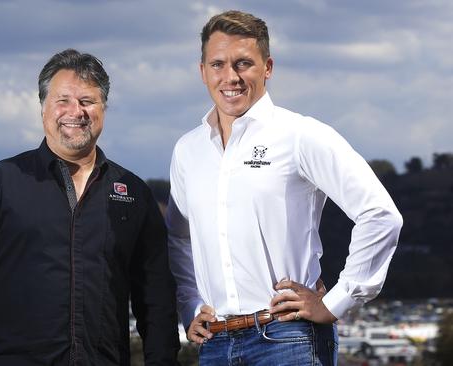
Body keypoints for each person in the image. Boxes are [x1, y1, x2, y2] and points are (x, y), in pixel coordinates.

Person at [166, 10, 403, 365]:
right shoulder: (187, 150)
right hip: (215, 344)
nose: (230, 76)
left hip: (288, 338)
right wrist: (189, 305)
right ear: (202, 71)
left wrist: (335, 302)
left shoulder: (301, 136)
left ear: (268, 67)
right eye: (218, 64)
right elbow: (179, 238)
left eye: (243, 63)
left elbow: (381, 215)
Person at [0, 49, 181, 366]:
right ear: (43, 108)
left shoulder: (133, 193)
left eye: (87, 101)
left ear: (103, 108)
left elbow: (156, 296)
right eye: (62, 100)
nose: (75, 112)